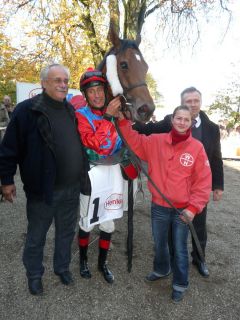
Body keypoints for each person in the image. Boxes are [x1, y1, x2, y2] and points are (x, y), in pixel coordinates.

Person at [0, 64, 89, 295]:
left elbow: (75, 144)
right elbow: (8, 149)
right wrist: (6, 180)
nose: (62, 84)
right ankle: (34, 275)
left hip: (71, 188)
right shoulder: (26, 110)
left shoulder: (70, 110)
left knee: (66, 233)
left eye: (65, 80)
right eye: (57, 80)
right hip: (43, 190)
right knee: (37, 235)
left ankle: (62, 268)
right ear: (43, 83)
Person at [108, 104, 211, 302]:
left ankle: (180, 283)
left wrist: (192, 209)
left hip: (183, 210)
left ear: (191, 122)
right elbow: (134, 140)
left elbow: (203, 182)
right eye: (178, 118)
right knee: (160, 243)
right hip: (159, 207)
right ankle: (162, 269)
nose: (182, 122)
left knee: (180, 248)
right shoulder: (156, 141)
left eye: (186, 119)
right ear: (172, 120)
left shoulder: (197, 148)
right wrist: (121, 120)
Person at [133, 87, 224, 277]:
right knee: (171, 235)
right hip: (173, 192)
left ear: (200, 102)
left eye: (195, 100)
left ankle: (199, 260)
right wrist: (129, 119)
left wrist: (218, 186)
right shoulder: (170, 121)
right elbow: (146, 130)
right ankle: (169, 263)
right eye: (188, 101)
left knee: (198, 228)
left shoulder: (212, 128)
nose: (192, 104)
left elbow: (216, 158)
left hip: (197, 189)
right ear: (182, 103)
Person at [75, 68, 138, 284]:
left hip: (113, 177)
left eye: (100, 89)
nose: (97, 95)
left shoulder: (117, 115)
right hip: (91, 177)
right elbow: (96, 145)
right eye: (91, 91)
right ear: (85, 95)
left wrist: (121, 121)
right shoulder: (80, 116)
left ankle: (102, 263)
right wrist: (109, 116)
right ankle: (83, 260)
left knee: (109, 223)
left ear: (105, 91)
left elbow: (126, 142)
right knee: (87, 222)